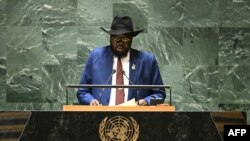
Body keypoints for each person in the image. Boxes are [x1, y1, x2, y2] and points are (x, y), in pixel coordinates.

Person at [77, 16, 166, 106]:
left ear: (131, 39)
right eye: (116, 38)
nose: (120, 42)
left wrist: (147, 101)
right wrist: (91, 101)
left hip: (136, 117)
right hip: (101, 117)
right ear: (110, 38)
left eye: (125, 38)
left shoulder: (147, 61)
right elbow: (82, 92)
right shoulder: (95, 56)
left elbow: (160, 95)